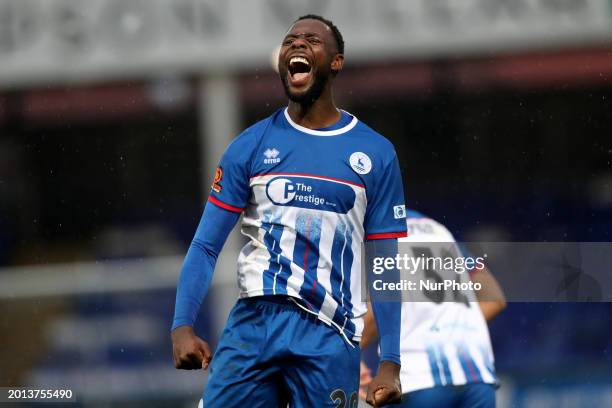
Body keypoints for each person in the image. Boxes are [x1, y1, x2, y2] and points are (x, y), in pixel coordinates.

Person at [171, 15, 407, 407]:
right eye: (290, 40)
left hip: (330, 333)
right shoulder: (249, 146)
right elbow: (206, 245)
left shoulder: (376, 153)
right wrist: (182, 324)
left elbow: (384, 263)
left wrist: (391, 361)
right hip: (254, 324)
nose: (297, 44)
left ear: (336, 62)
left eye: (311, 40)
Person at [360, 209, 506, 408]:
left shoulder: (376, 232)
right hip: (476, 377)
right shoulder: (439, 230)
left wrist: (349, 357)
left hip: (418, 379)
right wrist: (445, 328)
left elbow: (379, 309)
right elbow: (494, 298)